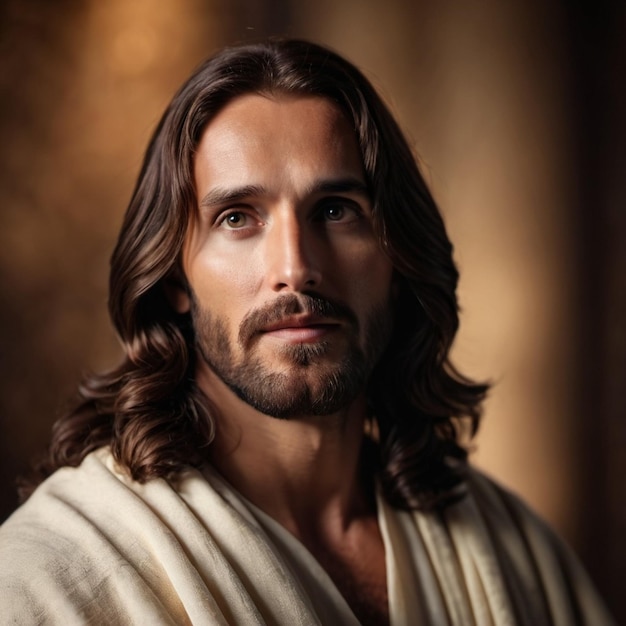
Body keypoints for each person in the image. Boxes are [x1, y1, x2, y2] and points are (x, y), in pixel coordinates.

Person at [0, 38, 614, 625]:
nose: (296, 268)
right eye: (238, 217)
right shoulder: (49, 576)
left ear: (397, 259)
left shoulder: (515, 552)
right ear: (174, 281)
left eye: (335, 210)